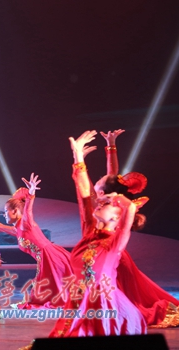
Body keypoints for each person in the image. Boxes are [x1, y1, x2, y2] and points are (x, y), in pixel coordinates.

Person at [49, 130, 147, 337]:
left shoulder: (114, 243)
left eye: (106, 203)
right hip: (80, 301)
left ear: (116, 217)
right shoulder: (90, 231)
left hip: (103, 304)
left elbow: (129, 207)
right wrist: (77, 156)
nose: (100, 201)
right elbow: (83, 191)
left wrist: (116, 198)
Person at [93, 129, 179, 328]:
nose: (99, 179)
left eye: (100, 181)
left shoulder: (111, 206)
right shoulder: (103, 202)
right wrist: (110, 145)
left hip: (111, 255)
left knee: (127, 299)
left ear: (104, 191)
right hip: (105, 253)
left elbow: (112, 175)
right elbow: (112, 175)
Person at [0, 174, 73, 308]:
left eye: (6, 211)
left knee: (60, 287)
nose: (4, 215)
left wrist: (31, 194)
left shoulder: (26, 223)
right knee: (46, 289)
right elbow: (0, 227)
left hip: (51, 257)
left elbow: (28, 211)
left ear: (15, 211)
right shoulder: (18, 229)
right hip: (44, 259)